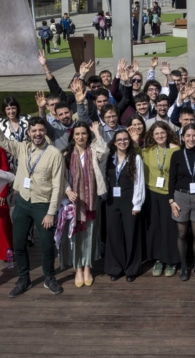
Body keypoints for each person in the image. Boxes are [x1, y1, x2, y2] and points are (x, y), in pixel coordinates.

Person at [0, 116, 65, 297]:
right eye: (34, 130)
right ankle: (24, 278)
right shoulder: (22, 148)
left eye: (41, 130)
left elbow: (58, 186)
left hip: (42, 205)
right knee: (19, 244)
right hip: (22, 202)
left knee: (46, 245)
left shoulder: (54, 154)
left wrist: (51, 212)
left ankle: (49, 277)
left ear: (45, 132)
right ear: (28, 132)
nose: (37, 134)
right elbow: (3, 141)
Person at [59, 120, 108, 288]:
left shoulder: (93, 150)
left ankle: (87, 267)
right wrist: (67, 191)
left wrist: (97, 133)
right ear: (73, 136)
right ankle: (77, 268)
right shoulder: (66, 154)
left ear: (88, 135)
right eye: (77, 134)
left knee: (89, 234)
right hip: (73, 202)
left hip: (91, 201)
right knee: (75, 235)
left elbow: (104, 151)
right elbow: (61, 177)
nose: (81, 137)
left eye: (84, 133)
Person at [104, 128, 145, 282]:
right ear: (114, 142)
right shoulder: (109, 158)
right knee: (114, 234)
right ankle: (115, 268)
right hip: (112, 200)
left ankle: (131, 269)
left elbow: (139, 182)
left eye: (125, 139)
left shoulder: (136, 158)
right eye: (119, 140)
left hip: (129, 199)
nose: (123, 142)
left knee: (131, 233)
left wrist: (137, 204)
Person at [140, 121, 180, 277]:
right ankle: (158, 259)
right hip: (151, 193)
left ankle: (171, 260)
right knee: (155, 227)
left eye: (162, 133)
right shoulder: (147, 151)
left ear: (167, 133)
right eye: (156, 133)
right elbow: (133, 153)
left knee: (169, 228)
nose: (160, 136)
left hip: (169, 194)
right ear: (152, 135)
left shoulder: (175, 150)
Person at [169, 125, 195, 281]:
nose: (191, 139)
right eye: (188, 136)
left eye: (194, 135)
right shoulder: (177, 155)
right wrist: (171, 200)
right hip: (180, 197)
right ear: (182, 138)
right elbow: (171, 179)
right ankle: (184, 266)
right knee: (182, 233)